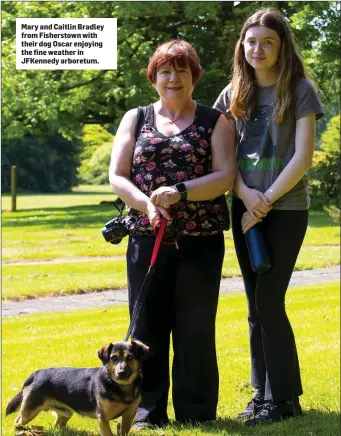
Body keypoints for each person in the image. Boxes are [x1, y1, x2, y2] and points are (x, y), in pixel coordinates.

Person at [109, 39, 236, 429]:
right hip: (147, 239)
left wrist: (180, 192)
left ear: (194, 76)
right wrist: (147, 203)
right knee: (146, 327)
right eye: (165, 70)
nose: (173, 78)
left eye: (182, 70)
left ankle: (196, 413)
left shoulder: (216, 121)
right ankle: (147, 412)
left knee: (195, 327)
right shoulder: (136, 117)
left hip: (200, 240)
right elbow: (118, 175)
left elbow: (225, 177)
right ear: (154, 77)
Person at [214, 8, 324, 427]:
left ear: (282, 47)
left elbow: (303, 156)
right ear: (242, 45)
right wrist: (244, 195)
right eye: (252, 41)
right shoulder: (231, 94)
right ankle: (262, 394)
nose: (258, 49)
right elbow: (224, 159)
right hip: (244, 206)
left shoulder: (299, 89)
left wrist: (266, 201)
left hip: (287, 208)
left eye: (268, 42)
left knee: (268, 300)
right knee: (253, 305)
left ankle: (284, 399)